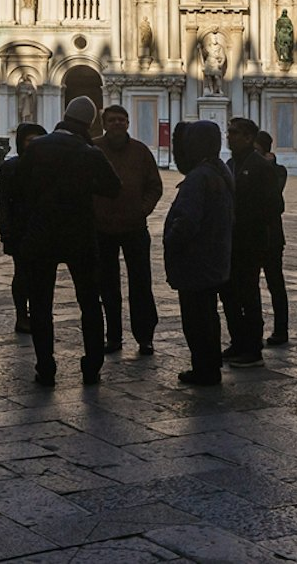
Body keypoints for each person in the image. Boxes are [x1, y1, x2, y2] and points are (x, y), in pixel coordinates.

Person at [16, 97, 121, 386]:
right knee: (89, 302)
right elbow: (114, 188)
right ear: (89, 124)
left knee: (40, 304)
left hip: (41, 235)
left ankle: (46, 367)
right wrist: (87, 185)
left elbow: (19, 188)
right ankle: (92, 366)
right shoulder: (88, 152)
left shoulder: (36, 148)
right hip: (80, 235)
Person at [163, 120, 233, 387]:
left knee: (196, 319)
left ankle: (203, 369)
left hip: (196, 261)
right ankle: (210, 365)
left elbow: (187, 221)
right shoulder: (220, 171)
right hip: (214, 258)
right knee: (208, 316)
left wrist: (172, 241)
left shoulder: (199, 177)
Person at [94, 104, 163, 356]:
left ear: (128, 123)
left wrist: (142, 210)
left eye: (122, 120)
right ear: (104, 123)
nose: (117, 124)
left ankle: (145, 336)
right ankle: (113, 336)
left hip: (135, 227)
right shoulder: (94, 149)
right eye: (112, 120)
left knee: (141, 283)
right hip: (102, 229)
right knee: (107, 285)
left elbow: (154, 186)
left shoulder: (140, 151)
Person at [219, 116, 279, 368]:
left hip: (251, 241)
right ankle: (238, 341)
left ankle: (253, 348)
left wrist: (246, 218)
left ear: (248, 137)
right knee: (229, 294)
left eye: (234, 133)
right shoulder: (230, 163)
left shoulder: (261, 166)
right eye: (229, 132)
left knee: (248, 294)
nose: (229, 136)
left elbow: (275, 205)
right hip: (231, 241)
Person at [0, 121, 46, 334]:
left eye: (38, 140)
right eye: (29, 140)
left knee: (42, 274)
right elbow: (2, 201)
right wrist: (5, 230)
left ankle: (39, 312)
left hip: (43, 228)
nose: (34, 144)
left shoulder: (48, 166)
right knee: (22, 273)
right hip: (19, 228)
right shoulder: (10, 167)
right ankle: (21, 314)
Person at [254, 130, 289, 347]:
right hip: (253, 237)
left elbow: (277, 201)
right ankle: (254, 330)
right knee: (249, 287)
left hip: (272, 237)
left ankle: (281, 329)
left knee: (275, 284)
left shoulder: (277, 170)